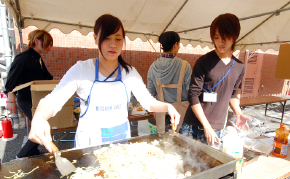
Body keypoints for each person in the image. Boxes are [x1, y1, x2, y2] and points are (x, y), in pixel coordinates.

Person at [28, 14, 180, 151]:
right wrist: (39, 116)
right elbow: (55, 98)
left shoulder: (130, 73)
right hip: (89, 147)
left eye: (118, 39)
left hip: (120, 144)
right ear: (95, 38)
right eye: (106, 38)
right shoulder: (81, 70)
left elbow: (148, 102)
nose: (113, 44)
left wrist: (167, 106)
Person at [179, 13, 251, 147]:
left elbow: (233, 94)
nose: (220, 42)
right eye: (216, 37)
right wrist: (206, 126)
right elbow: (193, 95)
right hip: (194, 125)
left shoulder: (239, 66)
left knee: (208, 165)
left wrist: (238, 113)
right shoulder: (204, 62)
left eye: (225, 37)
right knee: (184, 163)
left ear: (235, 36)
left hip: (217, 127)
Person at [4, 29, 53, 157]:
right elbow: (11, 79)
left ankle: (32, 151)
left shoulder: (38, 59)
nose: (50, 47)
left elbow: (47, 78)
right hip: (26, 100)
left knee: (41, 124)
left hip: (35, 99)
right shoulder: (23, 58)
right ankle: (20, 156)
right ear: (36, 41)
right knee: (41, 126)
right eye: (48, 43)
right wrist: (10, 99)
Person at [147, 31, 191, 133]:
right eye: (179, 44)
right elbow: (191, 91)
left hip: (162, 115)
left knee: (166, 146)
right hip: (181, 115)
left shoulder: (153, 67)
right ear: (175, 44)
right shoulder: (185, 66)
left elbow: (150, 93)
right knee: (183, 146)